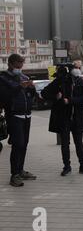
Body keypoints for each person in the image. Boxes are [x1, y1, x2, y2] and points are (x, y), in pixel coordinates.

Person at [41, 63, 83, 176]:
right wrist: (56, 97)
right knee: (65, 143)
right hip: (63, 117)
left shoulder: (80, 81)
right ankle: (67, 166)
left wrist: (70, 101)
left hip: (77, 117)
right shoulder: (58, 82)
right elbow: (44, 93)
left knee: (79, 142)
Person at [0, 54, 36, 187]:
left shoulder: (24, 77)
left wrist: (31, 89)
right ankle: (14, 175)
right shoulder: (3, 79)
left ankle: (20, 170)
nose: (20, 67)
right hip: (14, 115)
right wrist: (20, 87)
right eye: (17, 65)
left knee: (24, 144)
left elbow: (31, 97)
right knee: (18, 144)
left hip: (27, 115)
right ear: (10, 64)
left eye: (21, 64)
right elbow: (4, 97)